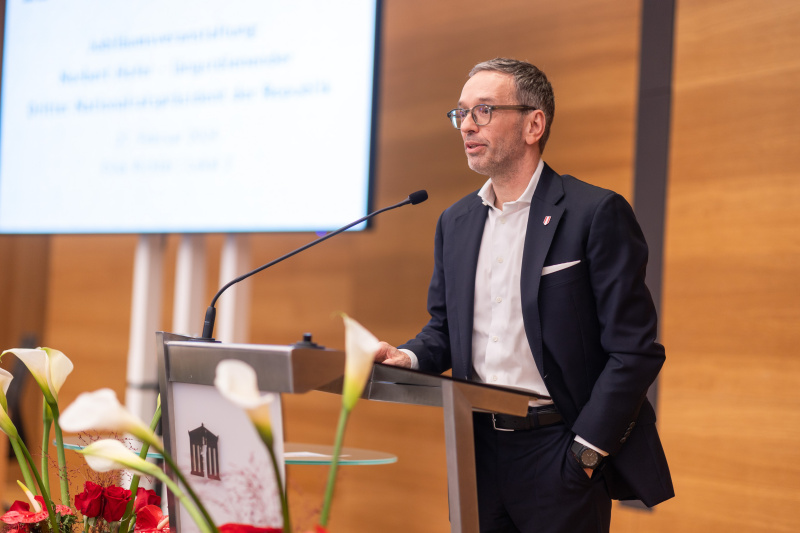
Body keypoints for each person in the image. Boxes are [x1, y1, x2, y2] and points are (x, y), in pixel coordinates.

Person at [374, 58, 674, 533]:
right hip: (476, 452)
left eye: (484, 111)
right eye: (461, 113)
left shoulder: (594, 213)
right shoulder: (455, 222)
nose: (466, 126)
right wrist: (407, 358)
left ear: (534, 124)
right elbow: (446, 330)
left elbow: (634, 351)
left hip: (559, 450)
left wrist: (587, 453)